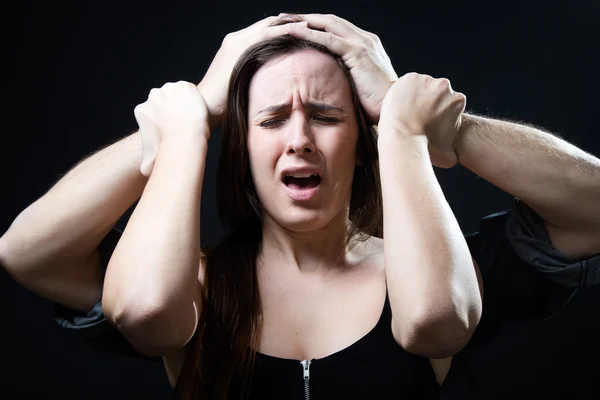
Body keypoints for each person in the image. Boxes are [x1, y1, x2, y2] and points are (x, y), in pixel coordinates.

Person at [1, 13, 599, 400]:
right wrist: (190, 120)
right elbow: (28, 254)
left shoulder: (449, 274)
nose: (299, 138)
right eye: (271, 119)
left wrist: (420, 120)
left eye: (326, 115)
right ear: (241, 148)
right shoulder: (189, 281)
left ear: (363, 147)